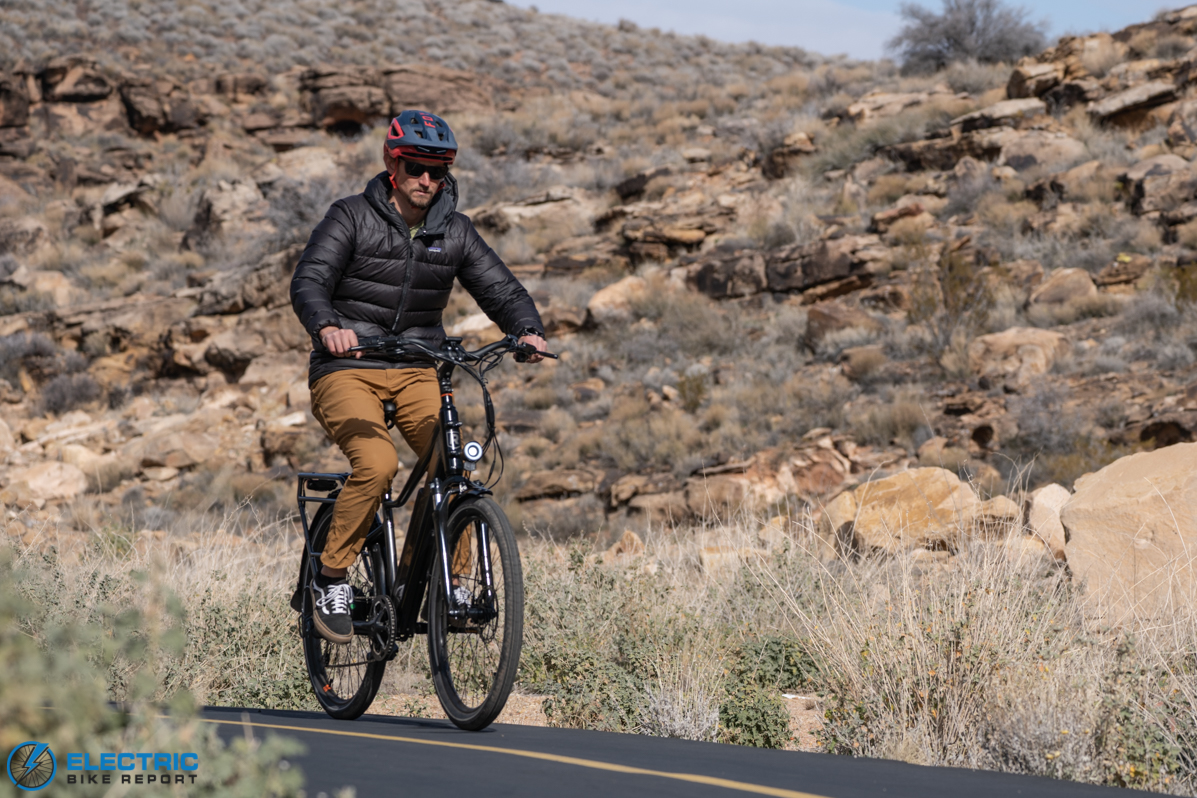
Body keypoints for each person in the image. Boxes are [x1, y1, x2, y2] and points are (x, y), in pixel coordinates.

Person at [290, 110, 546, 644]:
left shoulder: (454, 231)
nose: (426, 180)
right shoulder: (351, 217)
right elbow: (310, 280)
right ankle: (331, 577)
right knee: (378, 463)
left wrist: (526, 329)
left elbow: (501, 290)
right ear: (391, 162)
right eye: (414, 167)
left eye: (437, 169)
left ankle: (449, 585)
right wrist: (328, 326)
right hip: (349, 367)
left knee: (454, 468)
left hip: (415, 367)